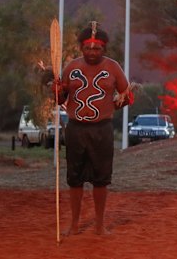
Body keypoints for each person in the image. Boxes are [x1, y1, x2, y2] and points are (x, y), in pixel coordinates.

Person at [55, 22, 133, 235]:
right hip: (76, 129)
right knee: (75, 178)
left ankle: (99, 224)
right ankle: (74, 224)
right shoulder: (71, 67)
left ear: (104, 49)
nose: (92, 52)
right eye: (88, 48)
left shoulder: (113, 67)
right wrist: (56, 90)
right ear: (81, 47)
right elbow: (59, 98)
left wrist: (121, 100)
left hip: (102, 129)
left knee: (101, 179)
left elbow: (127, 95)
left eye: (97, 48)